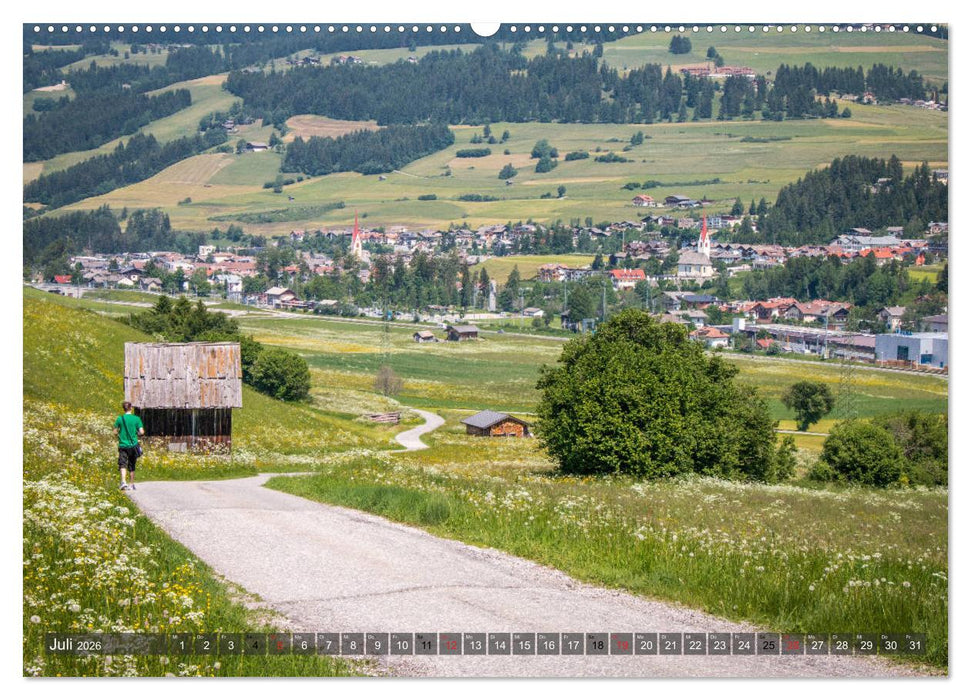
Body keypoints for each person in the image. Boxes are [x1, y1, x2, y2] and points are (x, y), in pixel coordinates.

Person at [114, 401, 144, 491]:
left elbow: (115, 431)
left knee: (122, 463)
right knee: (132, 464)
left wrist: (119, 436)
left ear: (124, 409)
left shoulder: (120, 419)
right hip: (133, 445)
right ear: (131, 408)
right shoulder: (136, 419)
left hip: (123, 445)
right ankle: (131, 484)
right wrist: (136, 434)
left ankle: (123, 482)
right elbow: (142, 432)